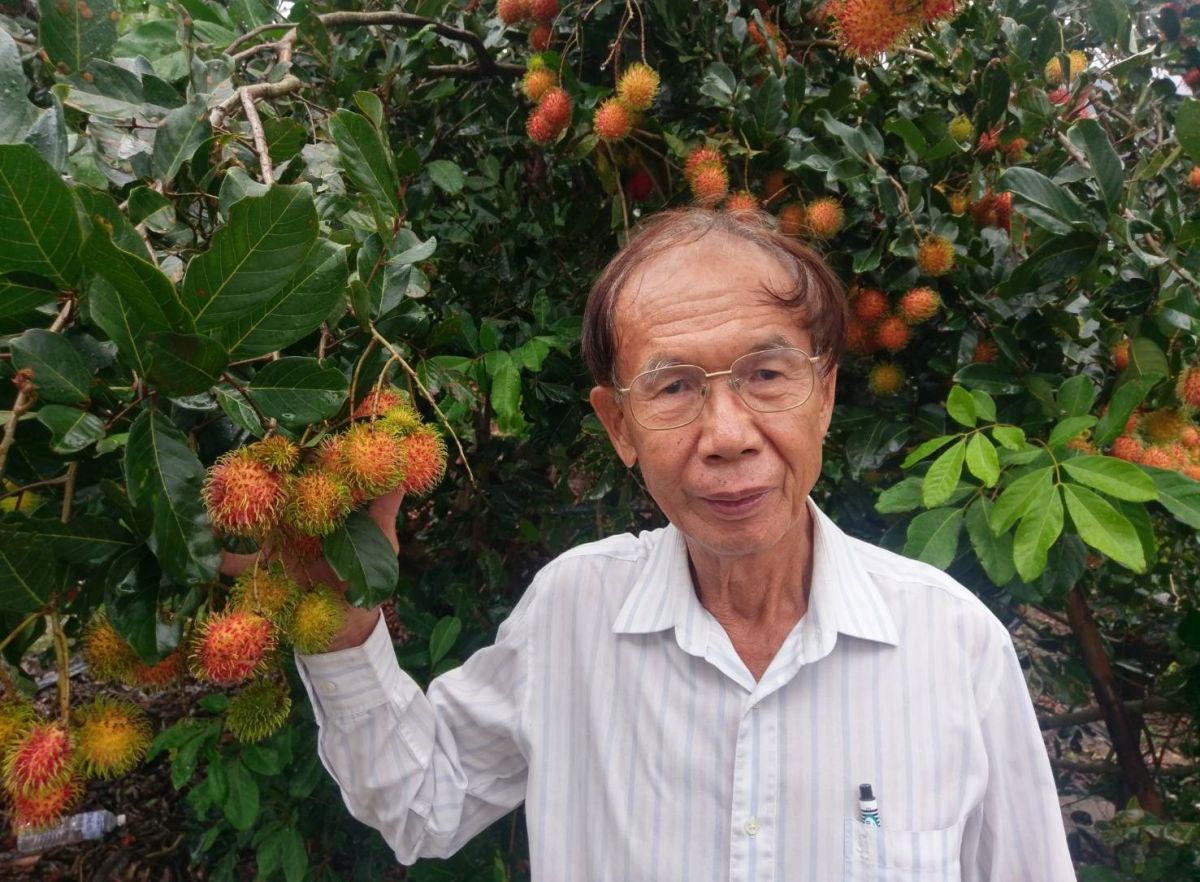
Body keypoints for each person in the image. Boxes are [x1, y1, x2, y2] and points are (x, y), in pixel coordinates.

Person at [288, 208, 1075, 879]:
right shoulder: (572, 615)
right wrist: (342, 619)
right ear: (618, 426)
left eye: (767, 374)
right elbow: (420, 803)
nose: (728, 436)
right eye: (673, 388)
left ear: (826, 394)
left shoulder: (953, 643)